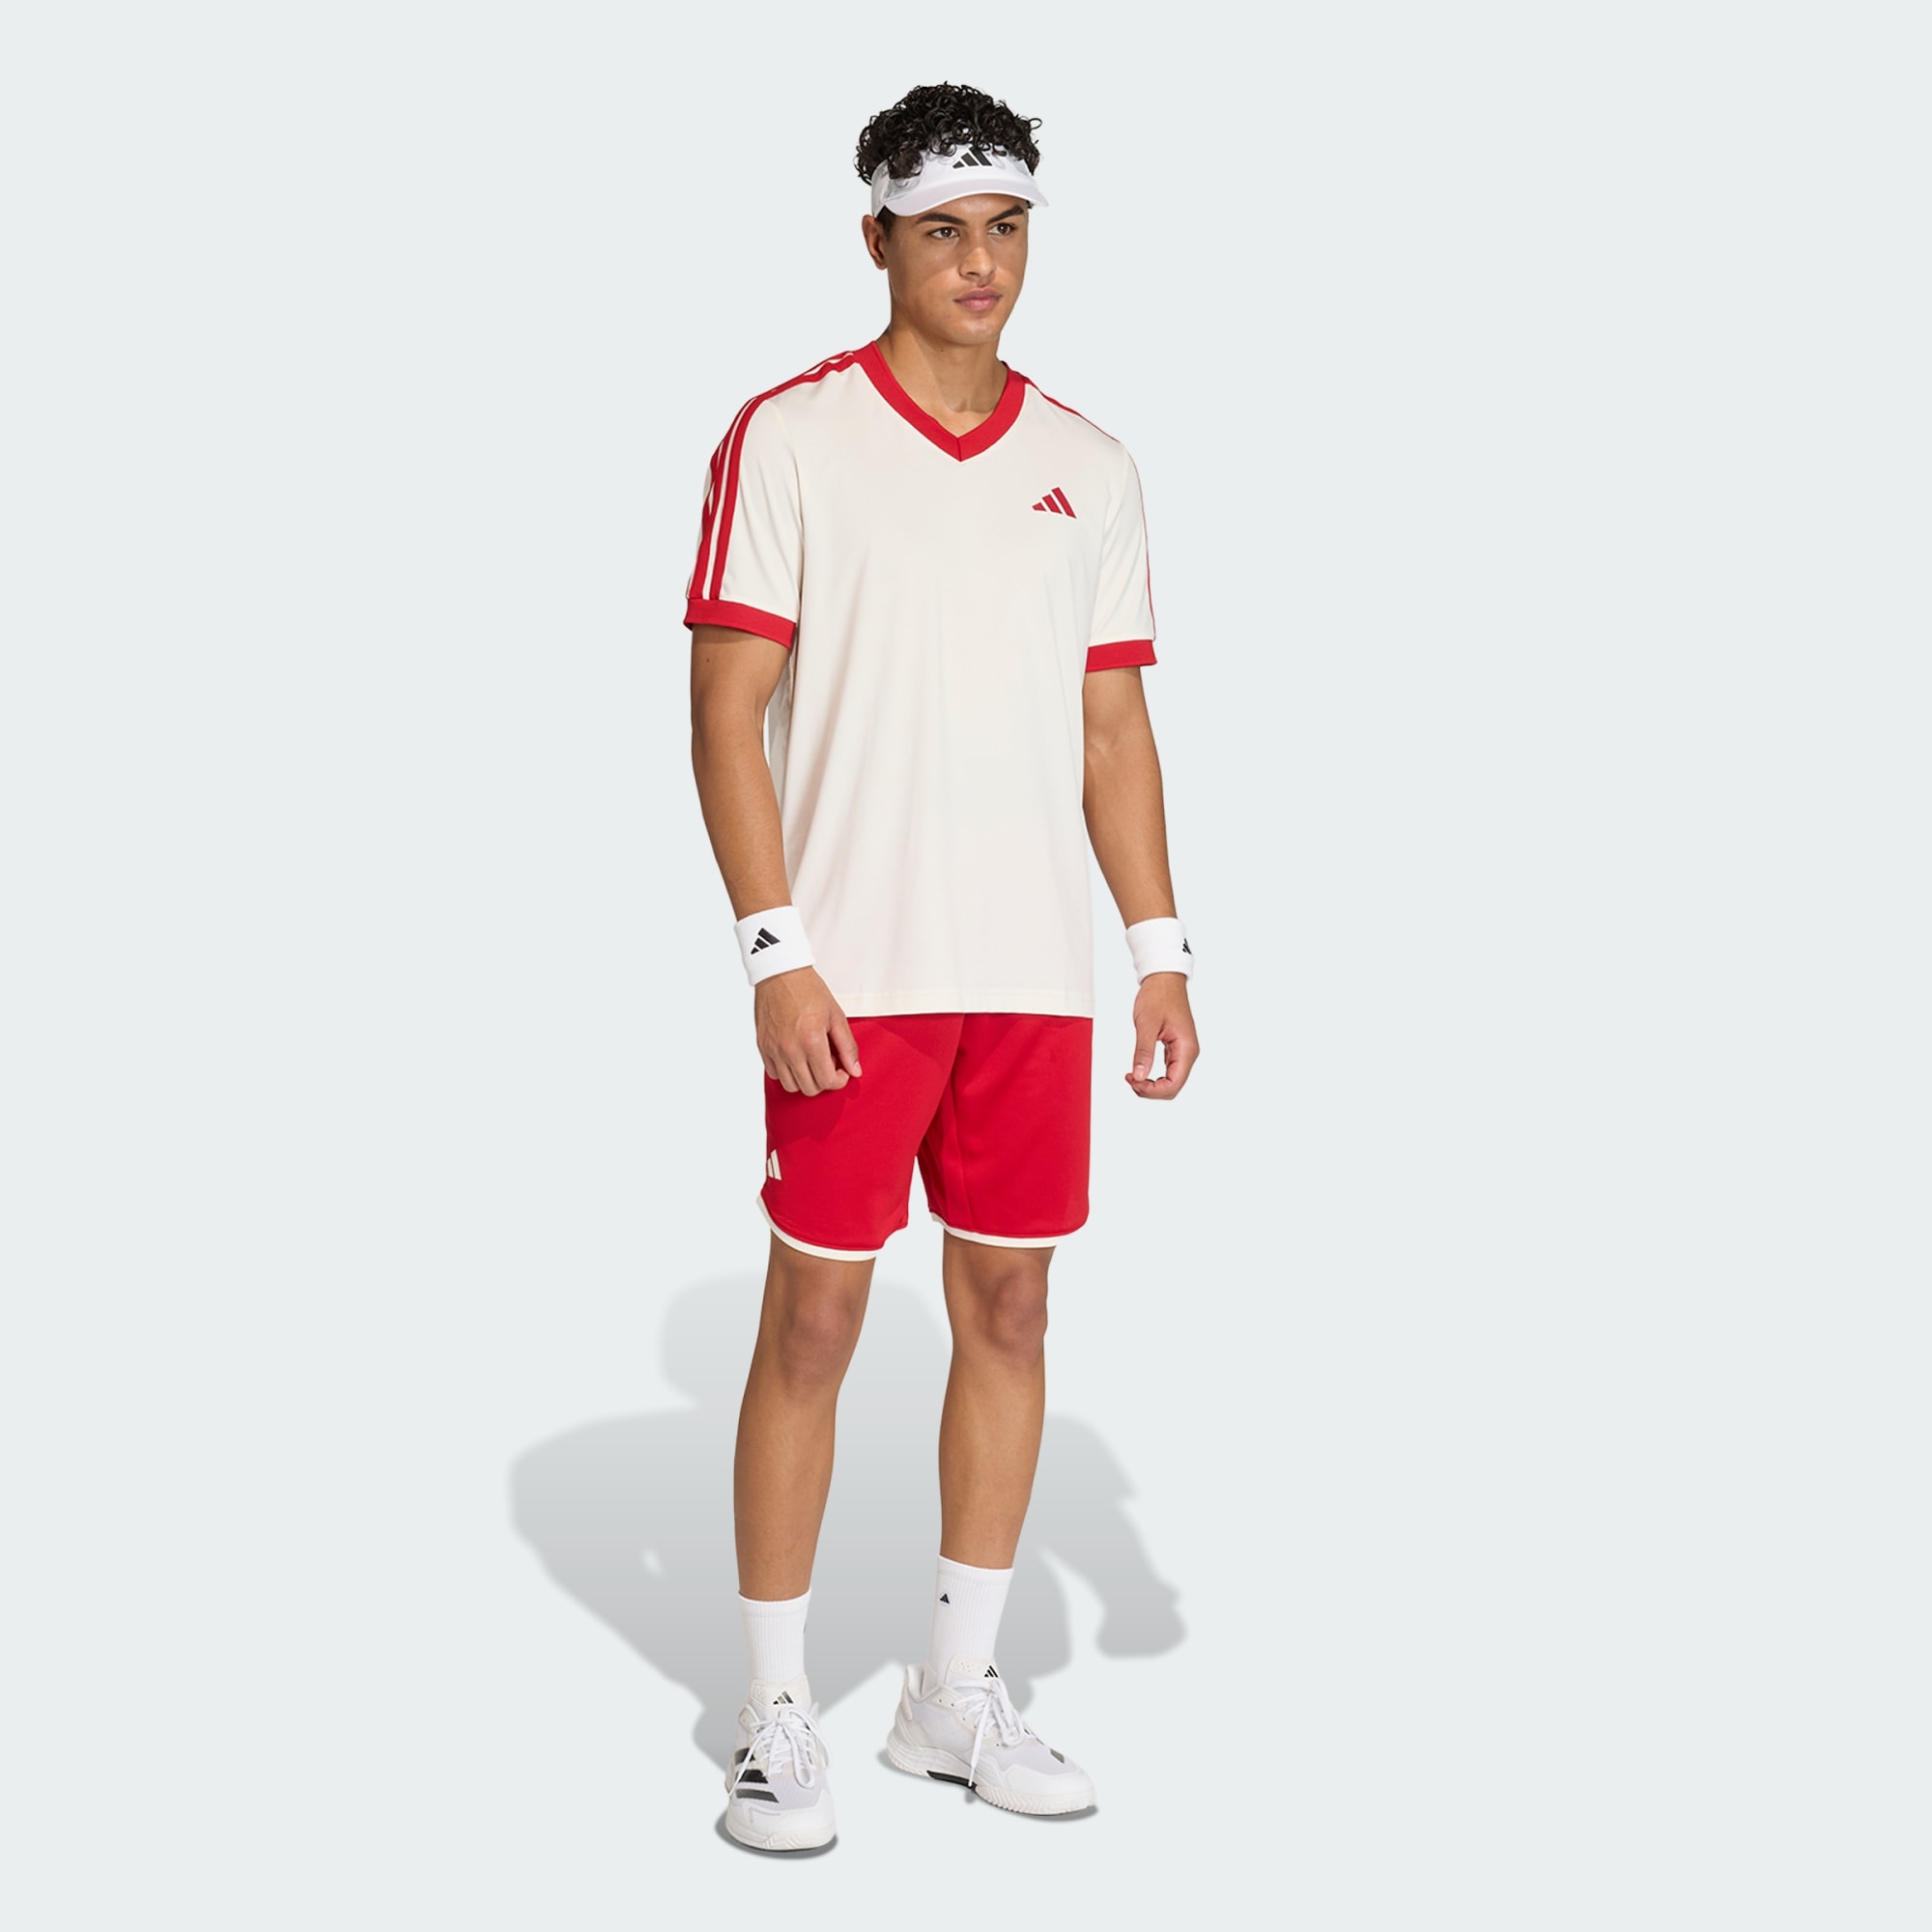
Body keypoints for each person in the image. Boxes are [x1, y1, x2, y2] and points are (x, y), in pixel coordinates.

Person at [684, 80, 1200, 1852]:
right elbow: (726, 715)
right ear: (878, 239)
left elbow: (1113, 730)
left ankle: (949, 1698)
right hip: (854, 973)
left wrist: (1157, 946)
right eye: (943, 230)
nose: (981, 262)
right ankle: (770, 1714)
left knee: (1013, 1310)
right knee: (816, 1317)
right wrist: (776, 953)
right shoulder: (790, 438)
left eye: (1007, 227)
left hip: (1032, 976)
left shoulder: (1093, 466)